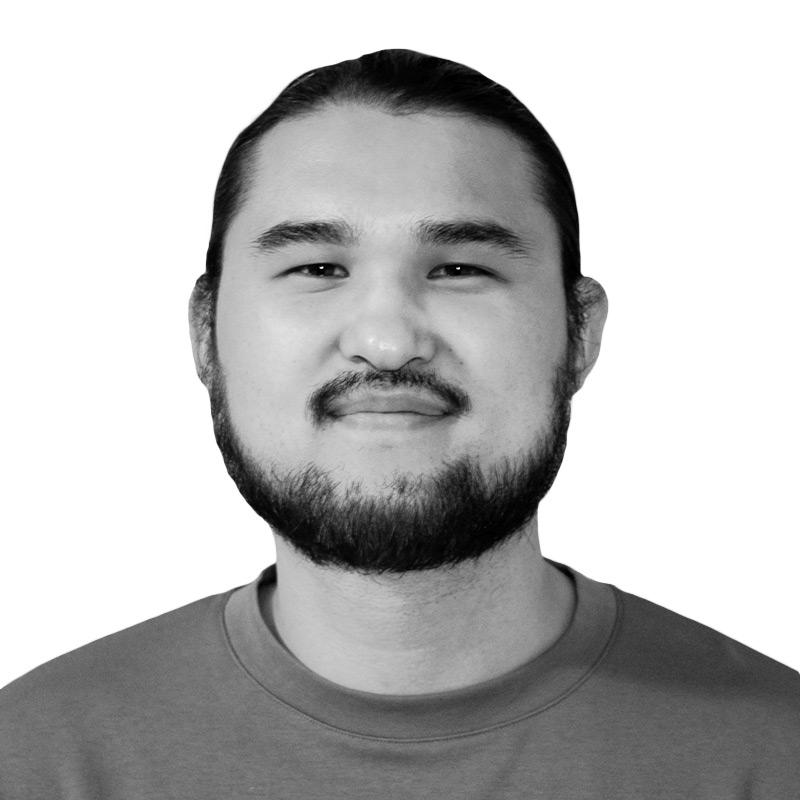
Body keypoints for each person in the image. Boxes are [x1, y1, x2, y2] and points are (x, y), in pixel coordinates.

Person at [1, 48, 797, 799]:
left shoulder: (777, 756)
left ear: (579, 332)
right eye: (317, 268)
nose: (386, 340)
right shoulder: (34, 760)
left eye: (460, 269)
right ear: (205, 335)